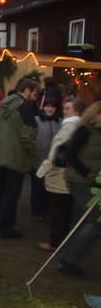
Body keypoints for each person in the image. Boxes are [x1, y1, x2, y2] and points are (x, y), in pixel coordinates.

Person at [56, 101, 101, 275]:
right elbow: (71, 154)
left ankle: (68, 258)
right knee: (93, 221)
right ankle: (70, 258)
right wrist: (87, 173)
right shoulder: (85, 131)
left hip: (91, 182)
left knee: (79, 220)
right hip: (80, 180)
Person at [0, 78, 39, 239]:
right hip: (16, 157)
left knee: (4, 191)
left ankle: (1, 223)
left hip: (2, 154)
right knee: (11, 195)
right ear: (26, 90)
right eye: (34, 93)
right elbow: (28, 136)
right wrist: (33, 153)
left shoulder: (5, 102)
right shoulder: (25, 108)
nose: (36, 97)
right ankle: (6, 228)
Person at [36, 97, 85, 251]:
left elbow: (55, 151)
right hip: (70, 173)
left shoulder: (69, 127)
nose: (64, 112)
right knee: (65, 209)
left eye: (67, 109)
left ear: (75, 111)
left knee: (58, 210)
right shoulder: (81, 126)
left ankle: (55, 242)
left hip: (60, 174)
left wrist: (42, 171)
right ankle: (62, 241)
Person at [30, 96, 62, 221]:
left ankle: (47, 209)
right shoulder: (36, 120)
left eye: (53, 106)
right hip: (38, 159)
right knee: (37, 187)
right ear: (43, 107)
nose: (50, 109)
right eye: (47, 106)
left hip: (53, 161)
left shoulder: (59, 122)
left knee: (49, 188)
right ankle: (37, 211)